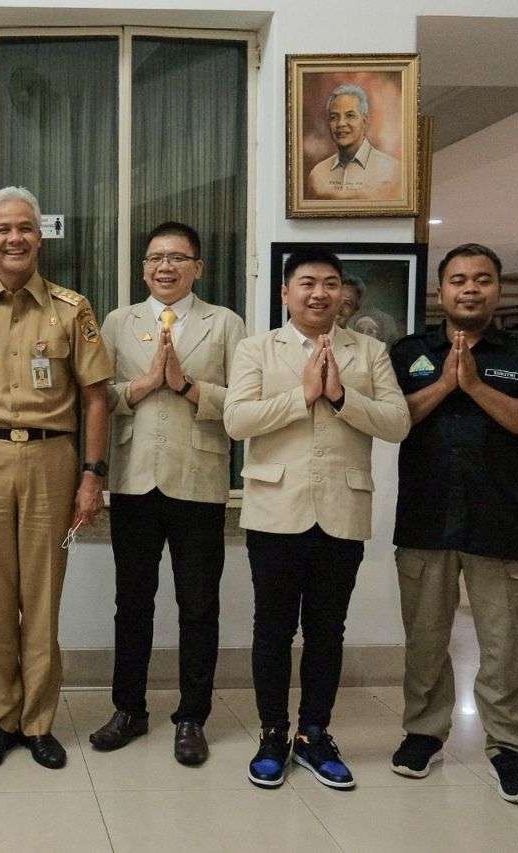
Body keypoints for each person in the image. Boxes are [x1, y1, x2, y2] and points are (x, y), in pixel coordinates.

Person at [223, 247, 409, 791]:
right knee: (273, 630)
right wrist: (303, 395)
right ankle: (272, 734)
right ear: (285, 292)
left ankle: (315, 735)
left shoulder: (370, 352)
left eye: (330, 283)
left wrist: (342, 396)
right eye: (306, 283)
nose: (319, 293)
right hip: (274, 510)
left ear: (342, 294)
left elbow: (397, 423)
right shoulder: (258, 349)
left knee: (328, 631)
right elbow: (237, 420)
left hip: (342, 512)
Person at [0, 186, 112, 773]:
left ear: (40, 237)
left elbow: (95, 399)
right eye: (3, 229)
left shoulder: (73, 308)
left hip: (52, 462)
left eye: (25, 228)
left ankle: (37, 722)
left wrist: (92, 475)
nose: (15, 238)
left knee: (42, 598)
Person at [388, 243, 518, 805]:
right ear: (440, 292)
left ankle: (510, 748)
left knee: (506, 644)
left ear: (498, 290)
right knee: (425, 641)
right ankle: (422, 733)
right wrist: (443, 384)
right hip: (425, 518)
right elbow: (393, 422)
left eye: (482, 280)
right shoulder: (410, 352)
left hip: (501, 520)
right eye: (458, 279)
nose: (470, 289)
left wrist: (476, 387)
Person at [88, 222, 247, 766]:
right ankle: (128, 709)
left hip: (198, 480)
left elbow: (244, 405)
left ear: (198, 267)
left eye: (178, 257)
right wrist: (142, 385)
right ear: (142, 267)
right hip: (133, 478)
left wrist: (185, 385)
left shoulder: (225, 324)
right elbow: (95, 397)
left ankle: (192, 717)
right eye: (155, 257)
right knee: (131, 603)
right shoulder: (117, 322)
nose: (165, 267)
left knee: (198, 605)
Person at [306, 84, 402, 201]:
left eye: (350, 116)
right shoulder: (317, 175)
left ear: (365, 121)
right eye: (334, 117)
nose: (341, 123)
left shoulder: (392, 172)